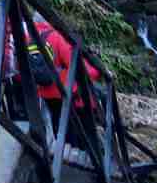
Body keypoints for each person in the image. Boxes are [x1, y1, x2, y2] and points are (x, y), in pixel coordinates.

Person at [26, 16, 101, 144]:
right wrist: (97, 71)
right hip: (63, 90)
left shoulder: (28, 37)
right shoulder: (56, 37)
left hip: (44, 91)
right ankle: (77, 152)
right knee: (73, 125)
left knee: (58, 120)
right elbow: (77, 66)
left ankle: (62, 151)